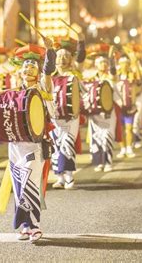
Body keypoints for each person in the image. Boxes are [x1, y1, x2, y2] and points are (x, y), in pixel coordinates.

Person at [0, 37, 56, 242]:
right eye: (26, 66)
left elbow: (49, 70)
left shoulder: (43, 88)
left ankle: (35, 225)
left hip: (35, 144)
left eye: (33, 66)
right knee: (18, 188)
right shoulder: (12, 93)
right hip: (15, 146)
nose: (29, 69)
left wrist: (49, 50)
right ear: (20, 71)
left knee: (30, 183)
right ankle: (25, 226)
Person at [50, 34, 86, 189]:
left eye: (66, 56)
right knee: (55, 146)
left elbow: (81, 57)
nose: (62, 59)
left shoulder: (75, 74)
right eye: (59, 56)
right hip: (54, 118)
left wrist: (81, 42)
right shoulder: (49, 78)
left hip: (71, 117)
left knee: (67, 144)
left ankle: (70, 176)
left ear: (71, 59)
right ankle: (59, 177)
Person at [84, 45, 118, 172]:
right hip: (95, 114)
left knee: (107, 137)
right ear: (96, 65)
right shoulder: (91, 77)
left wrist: (111, 58)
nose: (103, 65)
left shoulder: (111, 77)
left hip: (109, 113)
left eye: (105, 62)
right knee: (96, 138)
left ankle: (108, 162)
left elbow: (114, 74)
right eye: (101, 63)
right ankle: (99, 162)